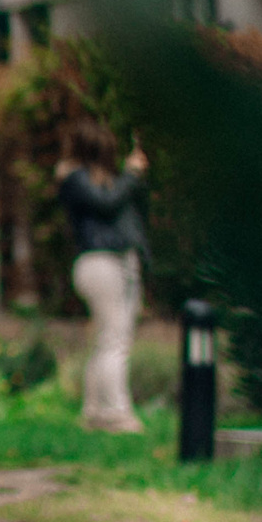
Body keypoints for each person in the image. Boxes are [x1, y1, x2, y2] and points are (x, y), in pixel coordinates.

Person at [58, 119, 149, 434]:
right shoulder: (76, 180)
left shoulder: (94, 181)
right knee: (115, 341)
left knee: (105, 340)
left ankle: (95, 411)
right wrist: (132, 174)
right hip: (103, 263)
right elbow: (106, 205)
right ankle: (117, 414)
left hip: (106, 265)